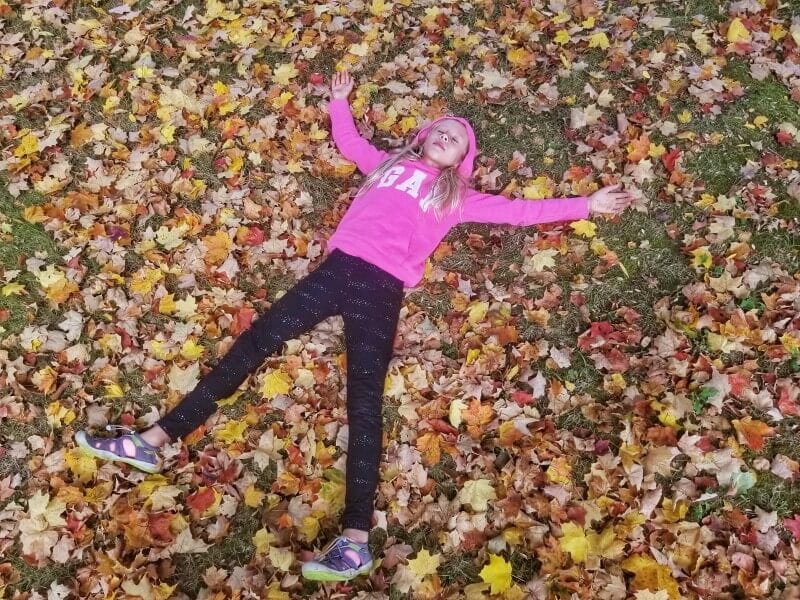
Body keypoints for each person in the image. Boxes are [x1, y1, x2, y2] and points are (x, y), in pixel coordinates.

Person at [75, 69, 633, 582]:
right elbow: (352, 144)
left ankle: (354, 540)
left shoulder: (456, 198)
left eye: (456, 136)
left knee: (363, 401)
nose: (446, 135)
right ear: (421, 137)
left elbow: (519, 211)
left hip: (380, 291)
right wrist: (340, 104)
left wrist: (587, 203)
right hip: (335, 273)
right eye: (439, 128)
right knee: (255, 342)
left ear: (464, 158)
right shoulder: (387, 167)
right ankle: (153, 440)